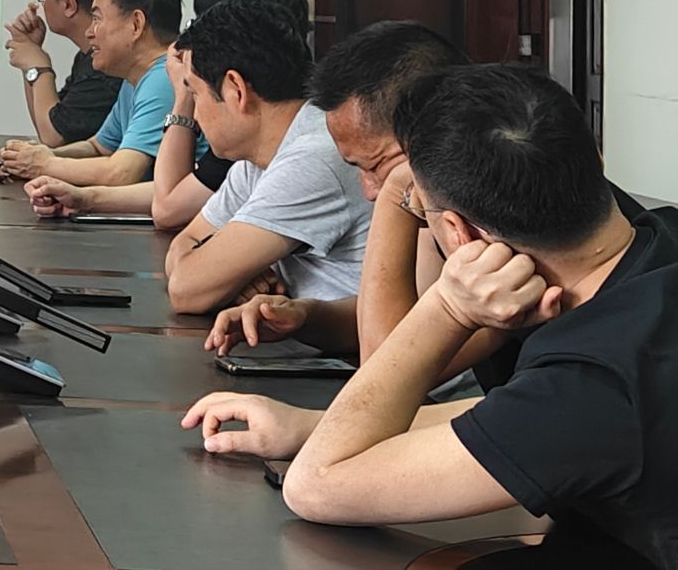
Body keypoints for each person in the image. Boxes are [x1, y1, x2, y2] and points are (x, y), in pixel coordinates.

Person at [187, 66, 677, 568]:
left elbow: (315, 485)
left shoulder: (595, 382)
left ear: (460, 234)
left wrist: (449, 307)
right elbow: (512, 417)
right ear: (595, 161)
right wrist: (309, 425)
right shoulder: (658, 242)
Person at [202, 20, 470, 360]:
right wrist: (304, 316)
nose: (369, 191)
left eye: (376, 165)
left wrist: (394, 193)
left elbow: (388, 357)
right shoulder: (429, 218)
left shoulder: (493, 227)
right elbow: (402, 320)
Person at [25, 0, 304, 232]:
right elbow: (170, 201)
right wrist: (83, 197)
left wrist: (183, 96)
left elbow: (155, 198)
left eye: (204, 26)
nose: (192, 39)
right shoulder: (245, 157)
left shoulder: (296, 152)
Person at [161, 0, 371, 314]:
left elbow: (186, 290)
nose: (197, 114)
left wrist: (220, 276)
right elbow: (184, 242)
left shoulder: (314, 157)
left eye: (195, 93)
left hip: (346, 344)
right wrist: (231, 277)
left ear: (236, 90)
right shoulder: (258, 156)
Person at [0, 0, 182, 187]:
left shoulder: (163, 79)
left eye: (97, 19)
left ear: (136, 25)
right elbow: (98, 147)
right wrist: (41, 154)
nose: (89, 32)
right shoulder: (135, 78)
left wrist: (44, 164)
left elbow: (122, 172)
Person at [1, 0, 122, 147]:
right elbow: (47, 126)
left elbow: (54, 136)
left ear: (68, 4)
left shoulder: (106, 65)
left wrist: (39, 66)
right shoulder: (85, 57)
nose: (39, 4)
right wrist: (31, 59)